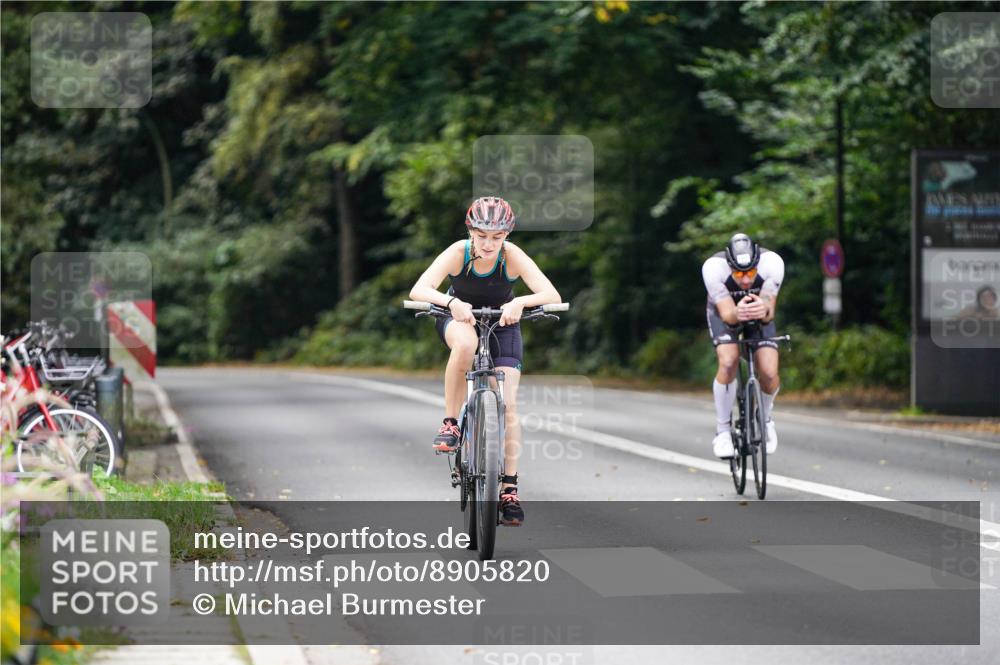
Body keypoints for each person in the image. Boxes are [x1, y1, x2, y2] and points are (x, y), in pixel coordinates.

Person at [408, 196, 561, 525]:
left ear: (506, 235)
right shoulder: (458, 253)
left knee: (508, 403)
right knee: (466, 345)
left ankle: (509, 489)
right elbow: (420, 289)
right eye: (482, 236)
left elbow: (551, 295)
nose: (489, 244)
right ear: (470, 232)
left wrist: (520, 302)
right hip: (459, 319)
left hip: (502, 324)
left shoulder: (511, 255)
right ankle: (450, 423)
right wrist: (451, 303)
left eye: (497, 236)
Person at [702, 233, 785, 458]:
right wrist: (737, 312)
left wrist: (763, 308)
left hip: (757, 314)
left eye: (751, 272)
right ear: (730, 267)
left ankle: (764, 418)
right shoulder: (714, 268)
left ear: (758, 264)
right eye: (739, 274)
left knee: (769, 372)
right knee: (728, 361)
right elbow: (728, 315)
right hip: (725, 312)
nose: (746, 280)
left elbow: (768, 312)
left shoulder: (772, 263)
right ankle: (723, 431)